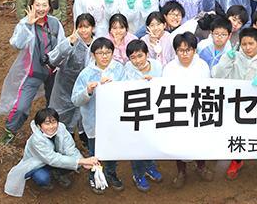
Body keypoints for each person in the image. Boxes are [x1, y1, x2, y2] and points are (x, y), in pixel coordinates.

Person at [212, 28, 257, 178]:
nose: (247, 47)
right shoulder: (233, 57)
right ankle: (237, 160)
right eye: (244, 44)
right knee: (237, 132)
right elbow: (217, 75)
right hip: (237, 104)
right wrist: (227, 60)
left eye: (251, 43)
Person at [0, 0, 66, 144]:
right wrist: (29, 25)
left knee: (54, 106)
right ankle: (8, 136)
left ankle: (52, 136)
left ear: (49, 7)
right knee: (21, 108)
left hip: (53, 72)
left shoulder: (55, 23)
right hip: (32, 72)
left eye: (44, 5)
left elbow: (61, 46)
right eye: (37, 5)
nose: (41, 8)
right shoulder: (24, 23)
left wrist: (58, 64)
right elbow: (17, 44)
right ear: (31, 7)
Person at [71, 37, 126, 193]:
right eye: (100, 53)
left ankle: (111, 173)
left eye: (108, 52)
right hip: (93, 121)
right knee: (95, 151)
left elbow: (126, 91)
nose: (104, 56)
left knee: (112, 148)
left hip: (114, 119)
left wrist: (114, 85)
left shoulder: (118, 69)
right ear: (93, 55)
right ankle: (93, 176)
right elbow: (75, 100)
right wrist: (88, 91)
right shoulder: (86, 74)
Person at [5, 108, 99, 197]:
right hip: (38, 163)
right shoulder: (36, 140)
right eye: (47, 123)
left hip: (55, 159)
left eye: (54, 122)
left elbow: (70, 149)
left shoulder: (61, 130)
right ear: (39, 126)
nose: (51, 126)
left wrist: (82, 161)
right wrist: (81, 161)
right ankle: (45, 181)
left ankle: (58, 173)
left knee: (77, 163)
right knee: (43, 178)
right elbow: (53, 159)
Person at [162, 32, 213, 187]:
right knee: (179, 141)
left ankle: (201, 166)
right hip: (178, 110)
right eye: (181, 50)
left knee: (199, 139)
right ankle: (181, 172)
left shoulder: (202, 66)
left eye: (188, 50)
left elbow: (207, 89)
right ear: (175, 51)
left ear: (194, 50)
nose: (185, 54)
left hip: (198, 108)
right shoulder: (169, 69)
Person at [123, 40, 164, 192]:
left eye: (140, 56)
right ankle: (138, 174)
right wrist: (140, 85)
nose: (137, 61)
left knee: (150, 141)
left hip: (153, 111)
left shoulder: (157, 66)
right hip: (136, 114)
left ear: (147, 54)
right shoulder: (127, 69)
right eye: (133, 57)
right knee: (136, 144)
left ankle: (149, 165)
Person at [48, 13, 95, 144]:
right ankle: (64, 143)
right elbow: (54, 60)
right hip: (66, 86)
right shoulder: (71, 41)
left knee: (86, 115)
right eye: (80, 27)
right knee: (64, 117)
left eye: (87, 26)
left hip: (87, 87)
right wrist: (69, 44)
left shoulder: (97, 44)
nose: (83, 30)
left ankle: (86, 141)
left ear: (93, 27)